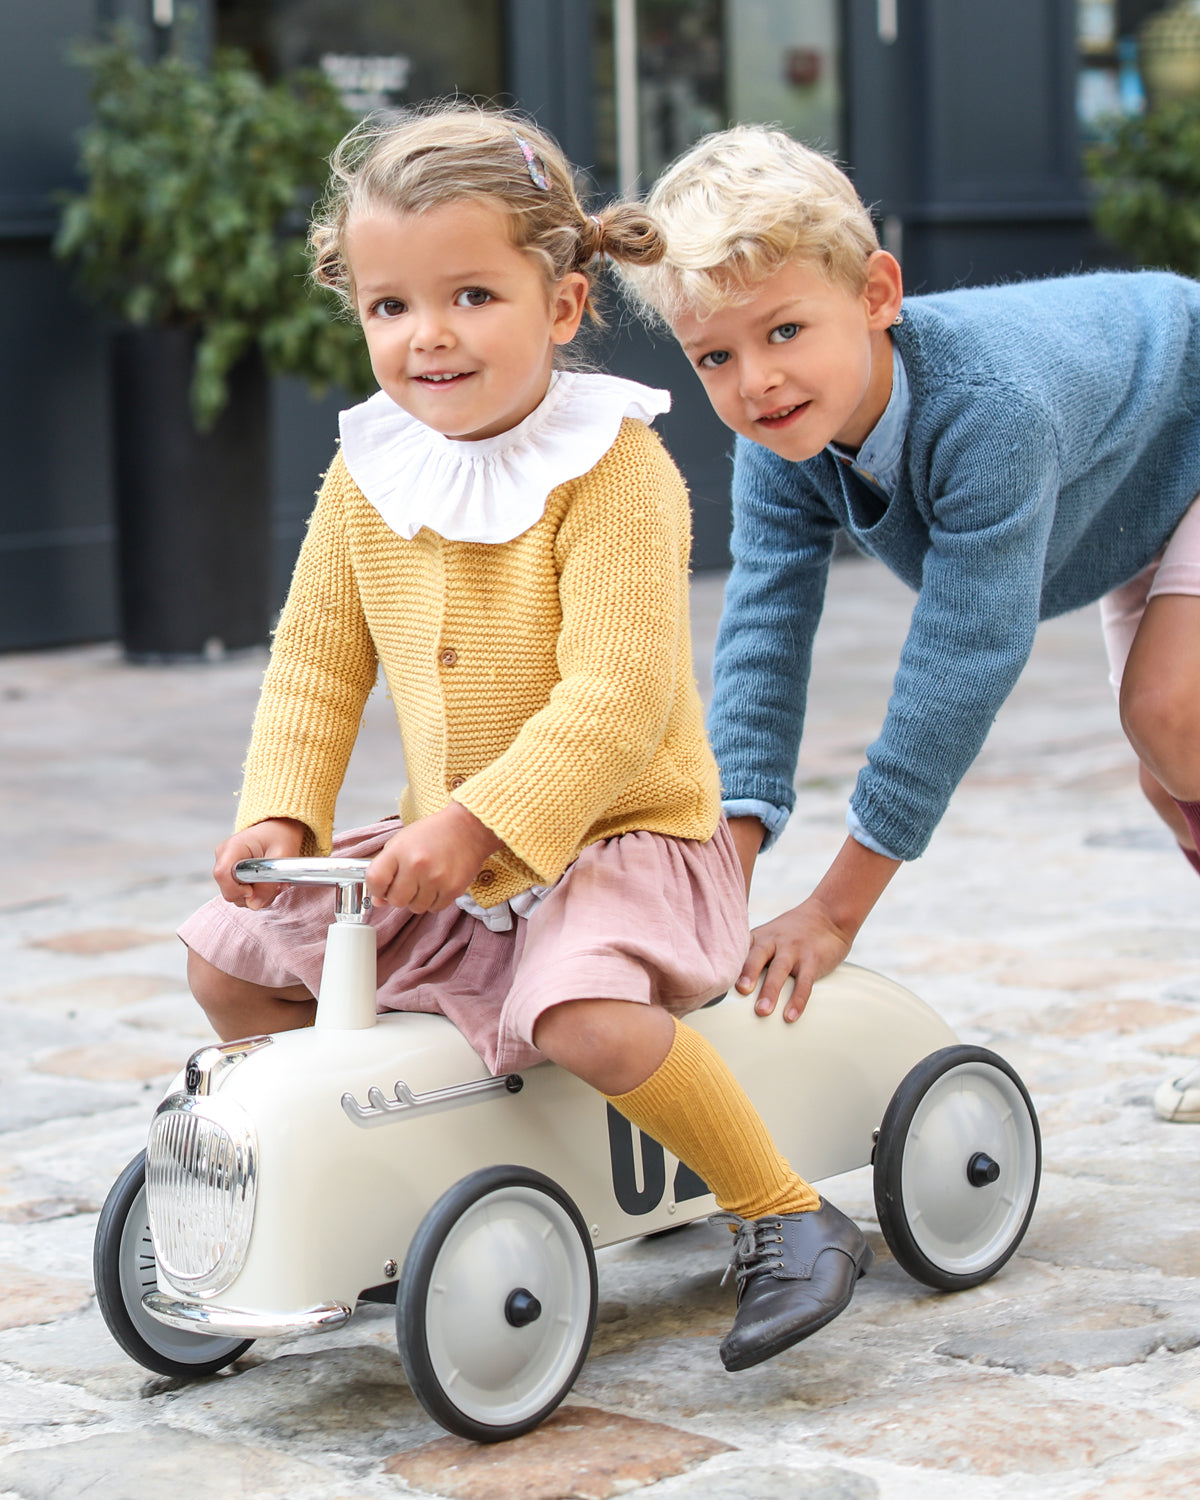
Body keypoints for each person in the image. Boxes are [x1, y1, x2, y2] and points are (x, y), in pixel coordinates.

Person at [177, 106, 874, 1372]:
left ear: (560, 306)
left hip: (623, 835)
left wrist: (482, 824)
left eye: (471, 295)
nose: (426, 334)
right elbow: (317, 665)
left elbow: (613, 699)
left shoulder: (617, 469)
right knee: (230, 959)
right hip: (458, 841)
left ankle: (784, 1212)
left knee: (585, 1016)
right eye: (389, 307)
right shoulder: (368, 472)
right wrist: (283, 808)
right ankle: (366, 1182)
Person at [618, 124, 1200, 1125]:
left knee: (1170, 713)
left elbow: (963, 659)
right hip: (1133, 493)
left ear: (878, 296)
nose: (756, 380)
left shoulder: (991, 411)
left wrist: (834, 909)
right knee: (1176, 777)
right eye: (716, 354)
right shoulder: (778, 445)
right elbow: (762, 638)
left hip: (1188, 422)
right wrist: (715, 894)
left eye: (785, 332)